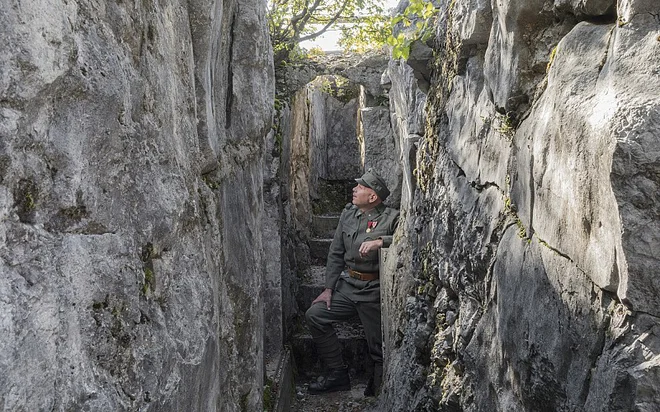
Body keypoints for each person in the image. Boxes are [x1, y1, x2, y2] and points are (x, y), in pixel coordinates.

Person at [305, 169, 400, 396]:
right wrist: (328, 289)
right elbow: (336, 253)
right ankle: (337, 375)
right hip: (348, 287)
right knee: (315, 315)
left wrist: (381, 241)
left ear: (373, 197)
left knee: (379, 347)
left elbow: (403, 238)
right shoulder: (349, 214)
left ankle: (379, 389)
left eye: (360, 187)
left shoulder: (392, 218)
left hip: (374, 291)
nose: (354, 189)